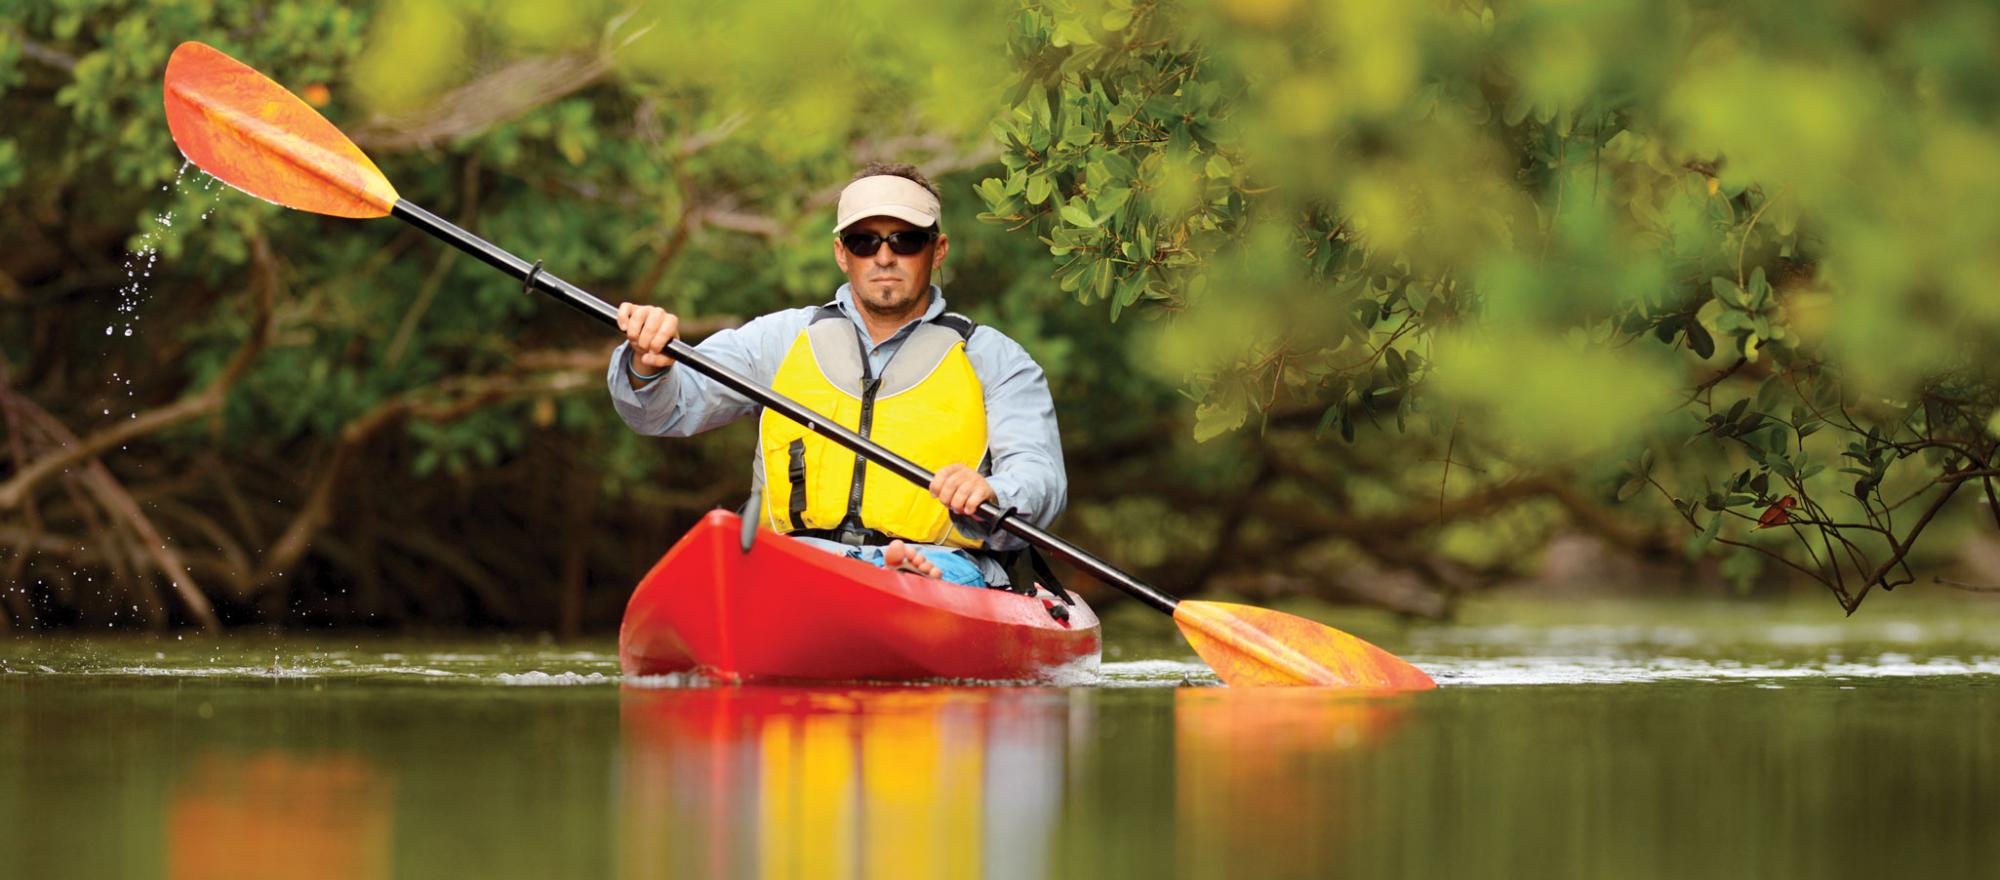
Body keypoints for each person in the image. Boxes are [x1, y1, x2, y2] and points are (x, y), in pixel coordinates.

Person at [607, 163, 1066, 589]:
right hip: (797, 558)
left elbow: (1040, 476)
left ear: (938, 249)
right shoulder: (779, 338)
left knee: (926, 572)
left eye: (905, 240)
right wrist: (647, 363)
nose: (884, 257)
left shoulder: (996, 359)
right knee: (744, 557)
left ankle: (905, 580)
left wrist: (992, 491)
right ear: (841, 253)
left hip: (943, 566)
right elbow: (663, 411)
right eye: (864, 242)